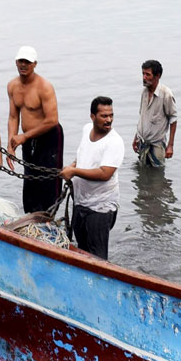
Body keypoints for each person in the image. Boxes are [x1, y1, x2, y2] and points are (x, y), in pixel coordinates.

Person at [61, 97, 124, 260]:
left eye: (111, 115)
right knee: (82, 249)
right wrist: (71, 166)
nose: (109, 120)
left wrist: (74, 171)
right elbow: (82, 156)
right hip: (80, 202)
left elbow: (105, 174)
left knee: (98, 256)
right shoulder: (86, 129)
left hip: (101, 207)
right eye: (104, 116)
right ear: (92, 116)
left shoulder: (115, 142)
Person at [6, 46, 62, 213]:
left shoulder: (44, 87)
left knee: (48, 180)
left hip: (49, 136)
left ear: (35, 64)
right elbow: (13, 117)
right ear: (16, 62)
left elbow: (52, 120)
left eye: (27, 62)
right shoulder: (12, 86)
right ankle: (31, 215)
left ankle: (48, 216)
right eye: (21, 61)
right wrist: (11, 144)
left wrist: (24, 137)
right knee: (29, 177)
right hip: (27, 139)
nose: (23, 65)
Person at [133, 60, 178, 167]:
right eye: (143, 74)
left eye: (147, 74)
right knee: (142, 174)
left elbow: (173, 119)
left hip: (157, 145)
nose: (144, 77)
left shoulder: (166, 94)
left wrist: (170, 145)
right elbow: (142, 116)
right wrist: (136, 138)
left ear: (157, 76)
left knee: (157, 178)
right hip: (142, 143)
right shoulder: (144, 92)